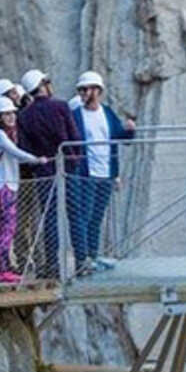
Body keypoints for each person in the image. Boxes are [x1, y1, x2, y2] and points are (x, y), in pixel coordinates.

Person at [15, 68, 81, 277]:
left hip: (43, 171)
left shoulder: (25, 116)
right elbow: (74, 136)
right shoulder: (61, 107)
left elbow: (25, 147)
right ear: (43, 84)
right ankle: (82, 260)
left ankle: (52, 264)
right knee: (75, 214)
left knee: (50, 218)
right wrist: (74, 159)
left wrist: (37, 165)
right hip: (67, 167)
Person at [71, 70, 136, 272]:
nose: (84, 93)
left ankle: (93, 255)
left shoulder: (107, 113)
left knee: (97, 217)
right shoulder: (76, 115)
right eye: (81, 89)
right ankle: (82, 259)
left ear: (98, 91)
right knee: (85, 215)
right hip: (86, 173)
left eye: (87, 89)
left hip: (105, 172)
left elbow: (119, 137)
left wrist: (129, 130)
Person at [0, 96, 48, 283]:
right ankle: (2, 268)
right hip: (5, 186)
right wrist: (36, 159)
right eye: (6, 114)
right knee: (7, 228)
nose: (11, 117)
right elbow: (15, 152)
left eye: (12, 113)